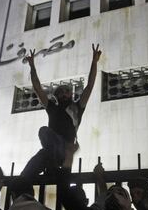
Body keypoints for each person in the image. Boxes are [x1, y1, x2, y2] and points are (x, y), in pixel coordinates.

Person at [21, 44, 102, 179]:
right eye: (61, 92)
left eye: (67, 91)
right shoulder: (52, 107)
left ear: (71, 94)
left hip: (66, 149)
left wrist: (94, 62)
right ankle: (35, 177)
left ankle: (53, 169)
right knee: (26, 175)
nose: (64, 94)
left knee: (44, 132)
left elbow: (89, 86)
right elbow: (37, 88)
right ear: (56, 96)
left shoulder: (77, 107)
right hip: (51, 150)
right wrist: (32, 66)